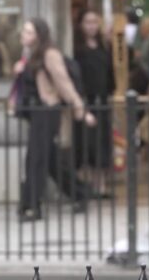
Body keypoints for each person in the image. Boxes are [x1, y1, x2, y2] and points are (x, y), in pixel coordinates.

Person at [16, 18, 96, 222]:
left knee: (36, 158)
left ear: (38, 35)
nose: (23, 35)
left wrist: (80, 109)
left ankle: (32, 205)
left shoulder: (50, 54)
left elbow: (63, 83)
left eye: (28, 32)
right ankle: (79, 193)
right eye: (24, 31)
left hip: (47, 111)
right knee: (51, 161)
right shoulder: (29, 55)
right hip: (36, 111)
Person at [73, 9, 115, 197]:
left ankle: (101, 186)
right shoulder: (77, 48)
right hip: (85, 101)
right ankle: (87, 186)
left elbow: (110, 74)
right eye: (87, 22)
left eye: (94, 22)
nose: (91, 26)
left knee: (102, 145)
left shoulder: (104, 47)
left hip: (102, 100)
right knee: (85, 144)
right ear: (81, 25)